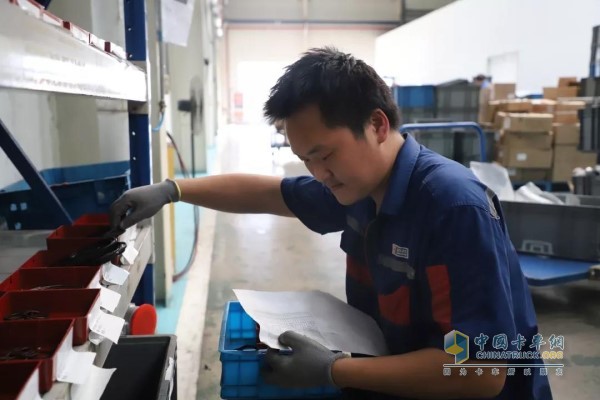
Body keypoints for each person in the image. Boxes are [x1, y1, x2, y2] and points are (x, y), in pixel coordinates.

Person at [110, 47, 552, 399]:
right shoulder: (358, 187)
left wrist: (335, 370)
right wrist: (174, 190)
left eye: (324, 154)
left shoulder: (452, 209)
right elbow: (271, 193)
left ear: (377, 125)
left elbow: (480, 372)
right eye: (306, 160)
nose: (318, 173)